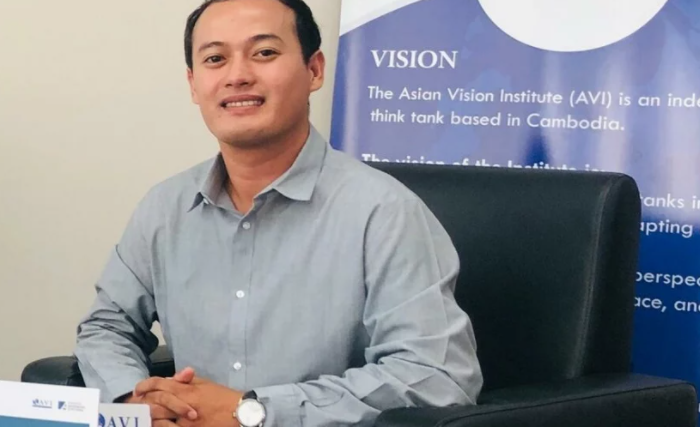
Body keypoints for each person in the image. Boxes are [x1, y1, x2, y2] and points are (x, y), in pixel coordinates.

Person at [74, 0, 483, 426]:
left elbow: (436, 377)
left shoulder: (384, 212)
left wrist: (253, 411)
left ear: (314, 70)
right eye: (215, 59)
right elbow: (106, 326)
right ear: (194, 85)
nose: (237, 75)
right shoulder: (165, 208)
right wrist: (133, 399)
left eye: (264, 52)